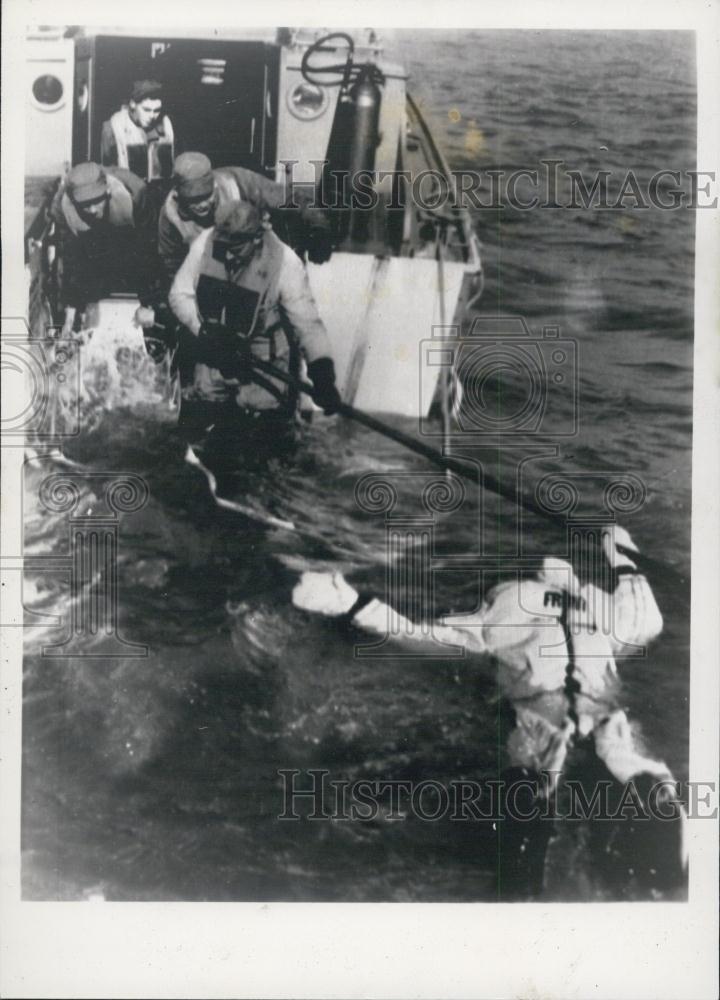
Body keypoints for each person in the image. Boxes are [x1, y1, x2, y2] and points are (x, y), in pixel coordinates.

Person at [292, 525, 687, 895]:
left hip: (541, 719)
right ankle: (625, 786)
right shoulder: (603, 618)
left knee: (531, 781)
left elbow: (416, 635)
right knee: (628, 771)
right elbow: (645, 617)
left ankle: (538, 807)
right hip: (602, 717)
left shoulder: (493, 618)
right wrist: (621, 557)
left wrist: (350, 603)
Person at [168, 201, 341, 471]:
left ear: (257, 238)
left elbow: (307, 324)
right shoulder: (206, 242)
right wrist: (204, 332)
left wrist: (322, 373)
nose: (228, 253)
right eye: (223, 244)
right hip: (216, 353)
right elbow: (179, 295)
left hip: (264, 363)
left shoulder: (286, 263)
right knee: (202, 440)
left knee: (264, 449)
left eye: (236, 247)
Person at [158, 152, 333, 288]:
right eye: (194, 200)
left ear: (215, 187)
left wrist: (319, 228)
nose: (202, 205)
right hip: (214, 275)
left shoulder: (237, 181)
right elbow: (171, 263)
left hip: (258, 262)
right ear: (179, 196)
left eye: (207, 196)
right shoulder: (170, 214)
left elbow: (290, 199)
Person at [52, 162, 161, 337]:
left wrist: (149, 304)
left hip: (129, 233)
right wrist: (69, 318)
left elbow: (150, 249)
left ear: (108, 191)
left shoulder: (137, 193)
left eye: (97, 201)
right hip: (90, 242)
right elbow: (71, 259)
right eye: (85, 205)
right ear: (73, 201)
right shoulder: (61, 208)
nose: (92, 210)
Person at [100, 79, 174, 184]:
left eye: (157, 110)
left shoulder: (165, 125)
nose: (152, 116)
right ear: (133, 104)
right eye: (146, 110)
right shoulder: (112, 128)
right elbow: (107, 171)